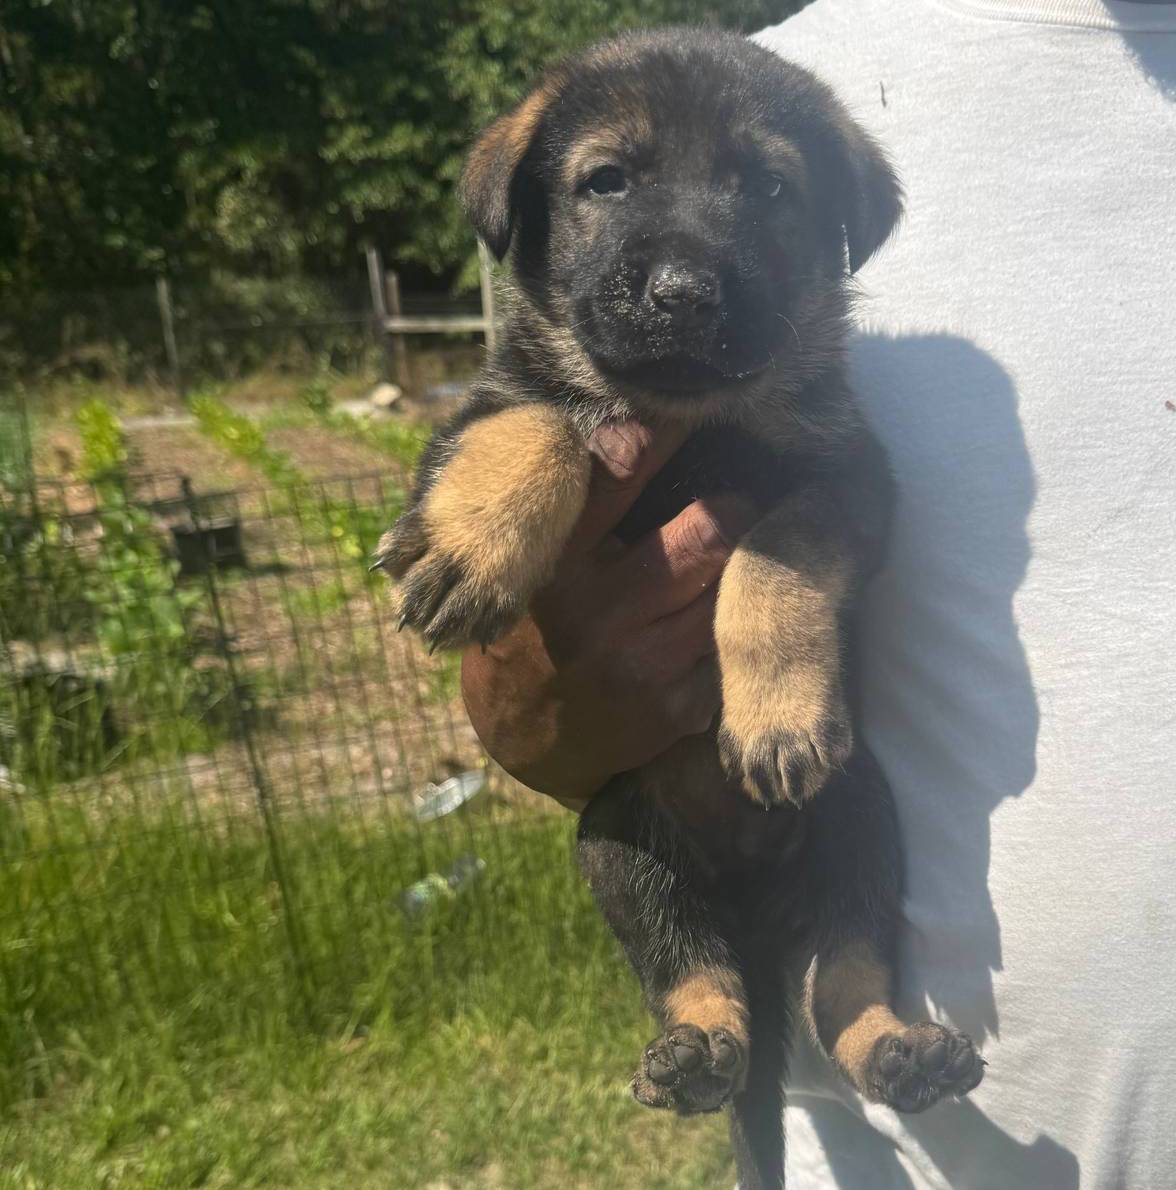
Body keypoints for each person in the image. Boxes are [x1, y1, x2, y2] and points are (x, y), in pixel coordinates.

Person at [460, 1, 1176, 1185]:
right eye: (610, 182)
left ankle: (852, 1008)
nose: (689, 265)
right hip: (904, 1157)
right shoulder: (807, 76)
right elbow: (525, 709)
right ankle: (709, 1004)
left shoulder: (819, 137)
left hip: (846, 847)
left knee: (849, 828)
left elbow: (849, 492)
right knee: (628, 844)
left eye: (763, 191)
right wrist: (524, 668)